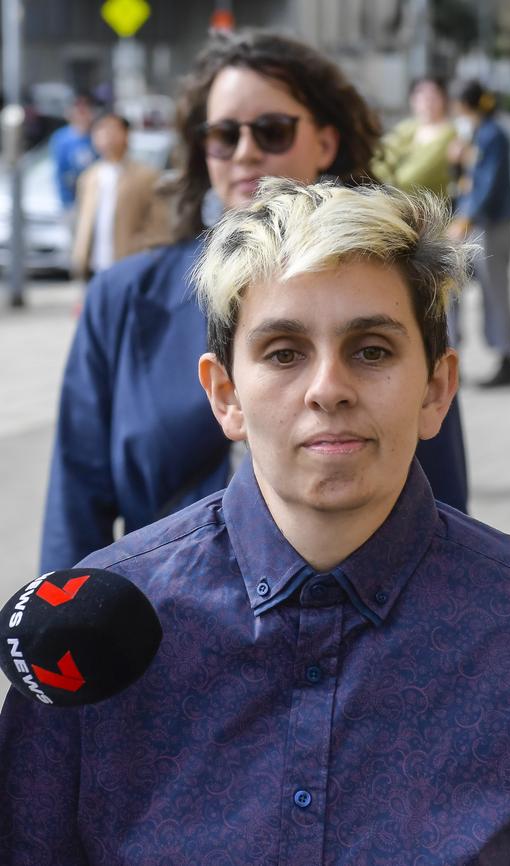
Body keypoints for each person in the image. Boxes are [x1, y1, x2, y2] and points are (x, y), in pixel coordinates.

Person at [2, 179, 510, 864]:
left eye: (371, 350)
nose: (328, 387)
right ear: (226, 395)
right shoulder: (95, 636)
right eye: (284, 353)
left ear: (436, 390)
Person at [38, 30, 469, 574]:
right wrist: (63, 640)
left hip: (361, 625)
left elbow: (441, 498)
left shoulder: (395, 291)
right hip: (155, 629)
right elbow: (76, 505)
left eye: (272, 130)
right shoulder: (121, 299)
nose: (245, 152)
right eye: (223, 134)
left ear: (326, 143)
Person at [448, 79, 510, 388]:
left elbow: (488, 184)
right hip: (471, 224)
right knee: (450, 291)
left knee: (495, 293)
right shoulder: (473, 135)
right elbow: (466, 181)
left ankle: (506, 358)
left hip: (489, 226)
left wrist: (466, 217)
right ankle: (452, 358)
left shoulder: (493, 136)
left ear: (465, 105)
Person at [71, 111, 172, 279]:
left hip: (130, 266)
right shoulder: (89, 177)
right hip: (94, 267)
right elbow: (82, 221)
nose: (106, 135)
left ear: (126, 135)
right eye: (100, 130)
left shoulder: (147, 176)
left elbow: (160, 226)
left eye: (112, 129)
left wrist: (143, 254)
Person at [372, 74, 456, 200]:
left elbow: (411, 178)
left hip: (427, 210)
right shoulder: (407, 127)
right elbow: (377, 160)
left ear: (443, 99)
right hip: (393, 202)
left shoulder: (449, 134)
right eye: (421, 95)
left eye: (433, 96)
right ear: (413, 100)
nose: (427, 101)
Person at [49, 92, 98, 211]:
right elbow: (59, 172)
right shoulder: (61, 138)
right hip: (72, 199)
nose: (82, 114)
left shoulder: (97, 135)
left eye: (86, 109)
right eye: (78, 109)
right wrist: (66, 201)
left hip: (96, 198)